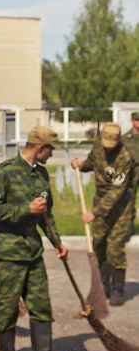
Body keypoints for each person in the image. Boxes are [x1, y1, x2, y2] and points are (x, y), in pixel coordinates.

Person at [0, 126, 68, 351]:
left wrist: (57, 243)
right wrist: (25, 210)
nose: (51, 154)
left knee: (42, 306)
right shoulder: (4, 172)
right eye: (50, 149)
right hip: (9, 254)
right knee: (7, 308)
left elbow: (46, 215)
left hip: (33, 252)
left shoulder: (41, 175)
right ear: (40, 147)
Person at [71, 122, 134, 306]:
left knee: (114, 247)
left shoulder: (125, 157)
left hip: (120, 207)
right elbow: (92, 162)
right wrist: (80, 165)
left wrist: (94, 212)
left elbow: (116, 191)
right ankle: (103, 285)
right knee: (98, 244)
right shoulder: (98, 145)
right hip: (99, 201)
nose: (107, 148)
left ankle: (118, 289)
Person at [121, 112, 139, 239]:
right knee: (128, 199)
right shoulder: (125, 138)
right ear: (132, 121)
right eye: (137, 120)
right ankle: (128, 228)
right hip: (132, 172)